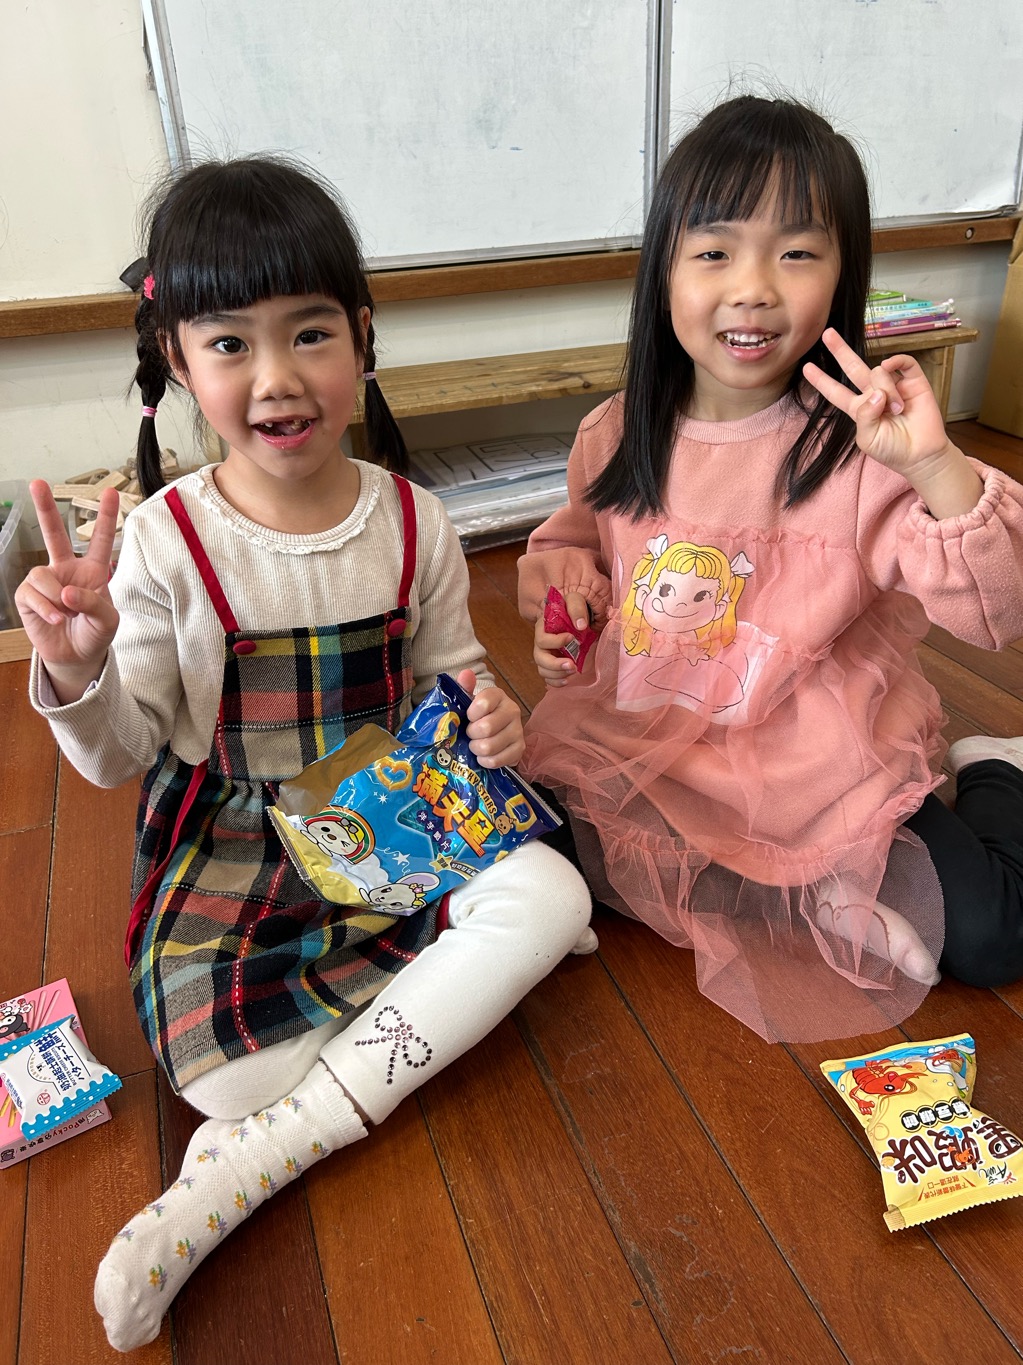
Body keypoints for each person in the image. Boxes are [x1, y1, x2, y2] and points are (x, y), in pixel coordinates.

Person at [15, 156, 591, 1353]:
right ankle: (352, 1058)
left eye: (310, 333)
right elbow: (119, 757)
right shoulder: (168, 541)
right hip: (239, 850)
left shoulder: (416, 519)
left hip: (392, 814)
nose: (277, 378)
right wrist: (76, 668)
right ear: (178, 362)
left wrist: (492, 714)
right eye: (231, 344)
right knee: (217, 1079)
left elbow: (454, 676)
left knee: (555, 890)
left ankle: (258, 1160)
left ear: (363, 337)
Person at [517, 95, 1023, 1047]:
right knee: (525, 848)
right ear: (662, 270)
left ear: (843, 274)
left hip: (817, 762)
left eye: (795, 253)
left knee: (990, 936)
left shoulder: (863, 450)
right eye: (713, 252)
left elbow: (996, 614)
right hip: (648, 740)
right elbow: (568, 546)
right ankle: (810, 891)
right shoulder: (615, 431)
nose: (751, 289)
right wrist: (565, 600)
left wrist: (933, 467)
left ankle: (993, 771)